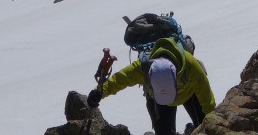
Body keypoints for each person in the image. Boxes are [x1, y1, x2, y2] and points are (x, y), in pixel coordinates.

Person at [88, 35, 216, 135]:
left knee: (204, 125)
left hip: (188, 93)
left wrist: (211, 124)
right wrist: (99, 92)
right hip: (158, 101)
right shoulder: (143, 68)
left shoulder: (190, 65)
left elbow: (206, 98)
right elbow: (119, 80)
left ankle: (192, 129)